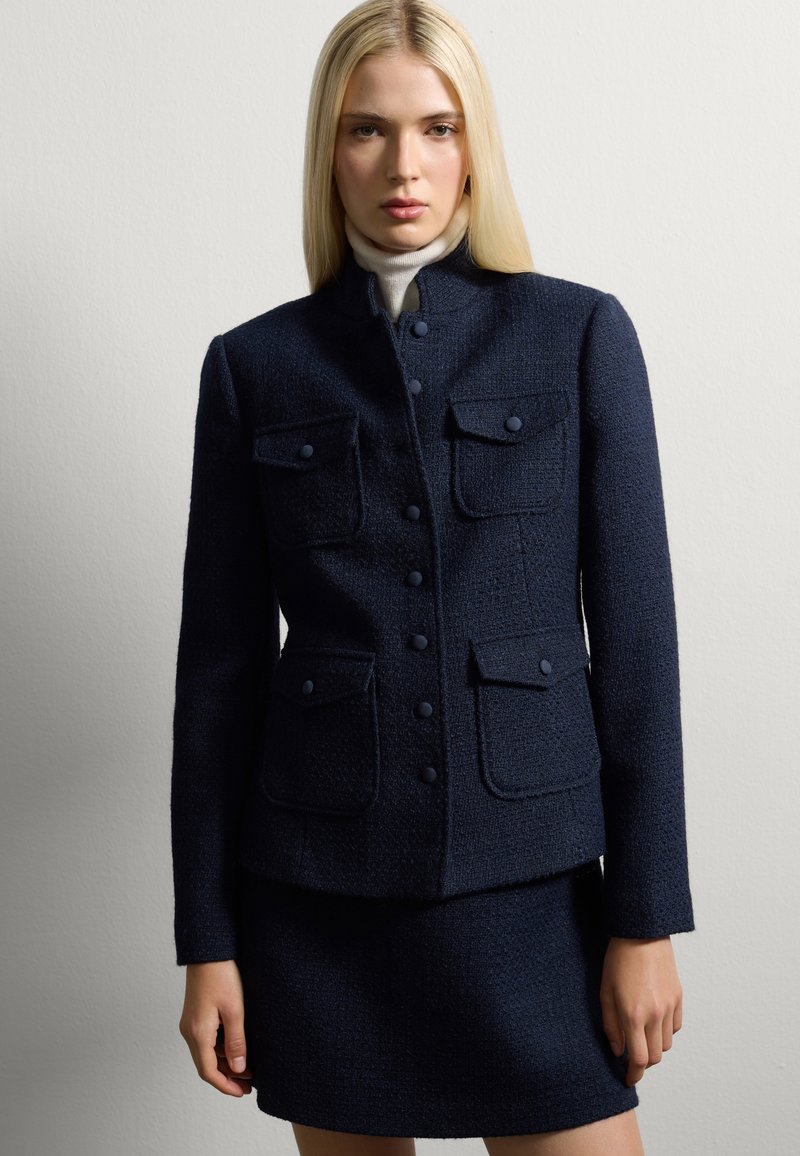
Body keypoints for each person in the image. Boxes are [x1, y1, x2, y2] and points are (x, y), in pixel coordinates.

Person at [170, 1, 696, 1152]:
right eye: (366, 129)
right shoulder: (253, 367)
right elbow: (217, 678)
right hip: (319, 901)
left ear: (473, 147)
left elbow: (637, 646)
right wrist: (206, 941)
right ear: (328, 149)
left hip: (536, 894)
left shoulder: (577, 336)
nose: (402, 165)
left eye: (436, 128)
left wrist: (644, 915)